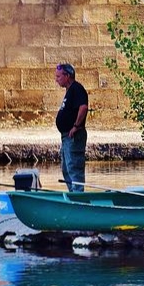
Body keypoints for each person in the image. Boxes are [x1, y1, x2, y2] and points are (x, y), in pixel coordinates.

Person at [55, 63, 88, 191]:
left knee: (74, 166)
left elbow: (83, 107)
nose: (56, 80)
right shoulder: (70, 90)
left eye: (58, 76)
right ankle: (72, 193)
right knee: (66, 168)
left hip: (74, 135)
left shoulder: (77, 89)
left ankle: (78, 196)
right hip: (66, 136)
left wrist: (76, 126)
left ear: (67, 76)